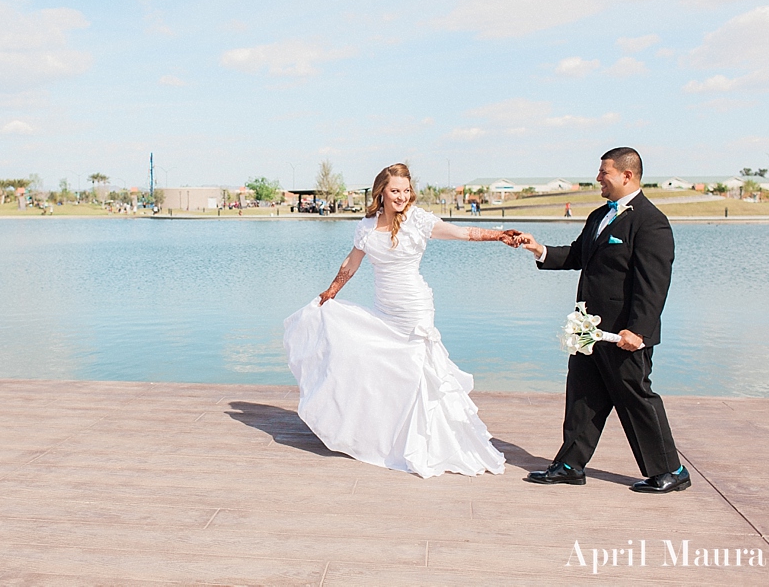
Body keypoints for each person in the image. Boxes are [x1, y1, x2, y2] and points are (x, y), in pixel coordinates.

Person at [283, 163, 521, 478]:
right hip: (384, 309)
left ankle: (429, 443)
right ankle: (384, 437)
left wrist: (498, 235)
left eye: (406, 190)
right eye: (395, 190)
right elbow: (351, 263)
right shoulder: (367, 225)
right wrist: (332, 290)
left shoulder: (419, 220)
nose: (401, 196)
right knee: (371, 362)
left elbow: (463, 232)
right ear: (381, 191)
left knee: (419, 372)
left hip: (415, 308)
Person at [516, 148, 689, 494]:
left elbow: (653, 283)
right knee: (582, 395)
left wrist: (637, 330)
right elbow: (578, 255)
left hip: (623, 332)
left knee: (635, 398)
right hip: (588, 329)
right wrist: (539, 249)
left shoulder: (651, 221)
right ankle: (569, 465)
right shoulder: (599, 216)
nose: (598, 178)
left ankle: (671, 470)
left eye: (604, 172)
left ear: (627, 176)